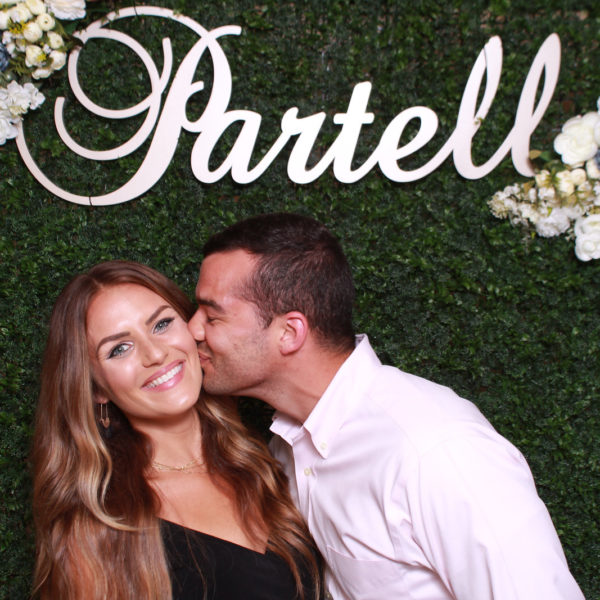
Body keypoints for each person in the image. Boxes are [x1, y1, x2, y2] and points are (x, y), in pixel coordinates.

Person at [188, 212, 585, 600]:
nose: (191, 329)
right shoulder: (289, 442)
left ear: (289, 332)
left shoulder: (434, 450)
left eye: (212, 315)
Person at [31, 260, 322, 600]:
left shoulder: (268, 460)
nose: (155, 354)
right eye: (119, 349)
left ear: (192, 327)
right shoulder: (97, 530)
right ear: (96, 388)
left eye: (162, 324)